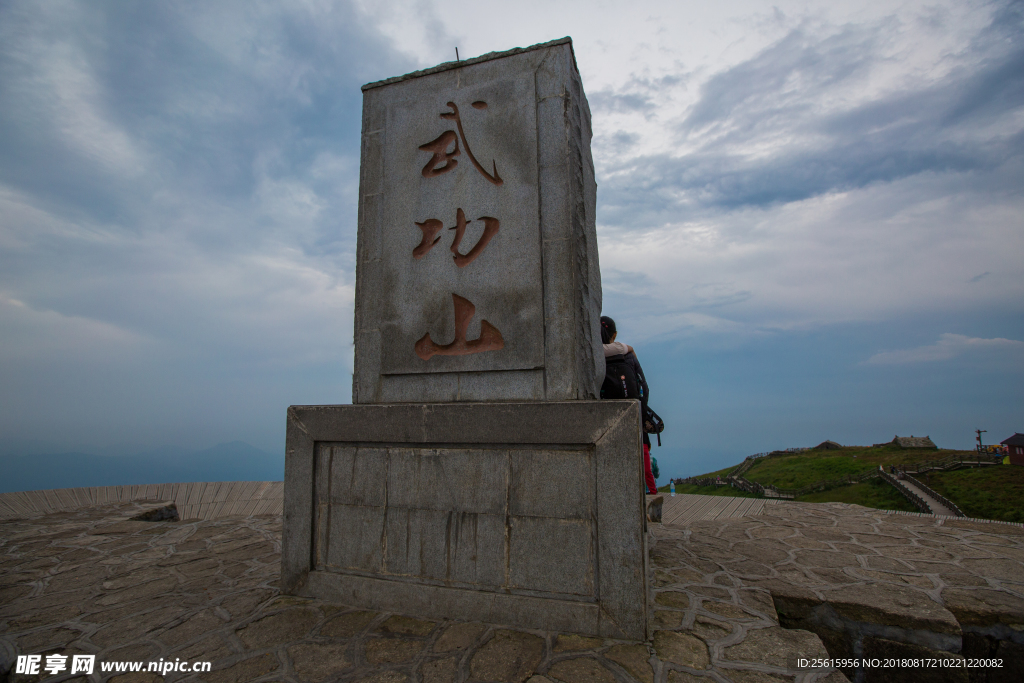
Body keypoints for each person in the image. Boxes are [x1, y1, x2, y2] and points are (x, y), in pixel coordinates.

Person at [600, 316, 658, 495]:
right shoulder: (626, 354)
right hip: (631, 416)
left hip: (604, 418)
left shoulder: (593, 354)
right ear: (614, 334)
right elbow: (644, 387)